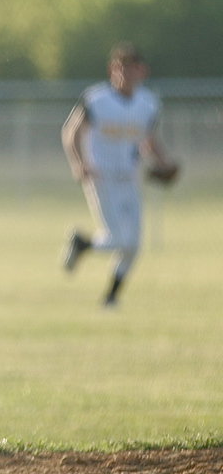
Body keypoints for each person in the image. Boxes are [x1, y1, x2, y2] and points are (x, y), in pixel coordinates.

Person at [60, 42, 177, 307]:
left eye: (131, 68)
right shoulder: (97, 99)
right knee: (116, 239)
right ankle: (81, 244)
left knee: (133, 246)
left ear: (141, 71)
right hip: (101, 176)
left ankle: (110, 297)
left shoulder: (147, 103)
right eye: (119, 68)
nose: (125, 74)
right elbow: (71, 132)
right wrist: (79, 163)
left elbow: (148, 140)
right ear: (112, 70)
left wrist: (164, 162)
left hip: (130, 178)